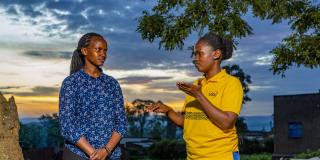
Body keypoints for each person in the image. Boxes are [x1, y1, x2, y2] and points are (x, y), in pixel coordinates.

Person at [146, 33, 243, 160]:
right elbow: (190, 123)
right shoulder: (196, 85)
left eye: (200, 53)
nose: (195, 59)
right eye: (194, 54)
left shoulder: (231, 83)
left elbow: (227, 123)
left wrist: (199, 95)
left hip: (221, 156)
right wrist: (168, 110)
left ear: (216, 54)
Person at [59, 32, 127, 160]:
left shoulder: (112, 84)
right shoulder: (71, 83)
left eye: (105, 50)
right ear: (85, 51)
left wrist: (106, 151)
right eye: (98, 49)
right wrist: (93, 154)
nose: (103, 54)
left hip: (111, 155)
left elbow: (121, 123)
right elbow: (67, 125)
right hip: (78, 155)